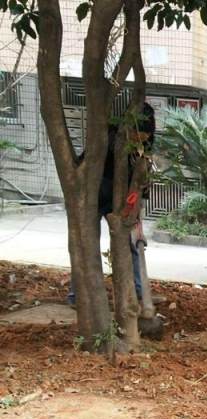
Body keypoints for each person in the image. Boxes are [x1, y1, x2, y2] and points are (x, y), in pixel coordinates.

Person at [68, 102, 155, 305]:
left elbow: (141, 179)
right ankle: (78, 296)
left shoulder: (144, 146)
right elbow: (88, 173)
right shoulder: (107, 140)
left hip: (119, 201)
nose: (141, 138)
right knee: (87, 245)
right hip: (92, 198)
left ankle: (136, 292)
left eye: (146, 135)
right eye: (138, 133)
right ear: (128, 127)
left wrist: (136, 207)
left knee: (128, 245)